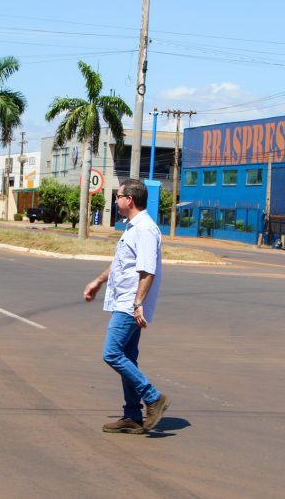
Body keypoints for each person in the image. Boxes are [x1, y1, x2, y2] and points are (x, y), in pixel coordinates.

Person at [83, 178, 170, 434]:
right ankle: (132, 415)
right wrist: (98, 281)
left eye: (118, 196)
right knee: (127, 357)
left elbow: (147, 270)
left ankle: (153, 397)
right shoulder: (132, 228)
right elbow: (123, 264)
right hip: (127, 301)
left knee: (111, 353)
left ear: (129, 199)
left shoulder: (144, 229)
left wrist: (138, 303)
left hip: (130, 304)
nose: (116, 200)